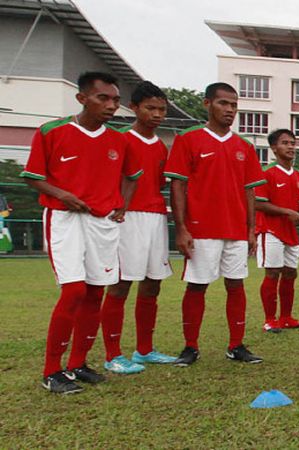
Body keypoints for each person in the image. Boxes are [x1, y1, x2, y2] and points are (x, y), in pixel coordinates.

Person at [22, 71, 141, 394]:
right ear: (82, 98)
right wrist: (62, 194)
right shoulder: (52, 131)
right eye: (103, 98)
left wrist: (123, 205)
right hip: (65, 219)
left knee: (95, 292)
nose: (111, 105)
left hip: (104, 222)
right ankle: (51, 370)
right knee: (73, 290)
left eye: (115, 99)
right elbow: (32, 176)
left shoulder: (119, 140)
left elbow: (133, 176)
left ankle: (78, 363)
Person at [163, 82, 267, 366]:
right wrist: (182, 228)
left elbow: (250, 191)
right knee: (197, 286)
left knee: (236, 284)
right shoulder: (188, 139)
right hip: (202, 228)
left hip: (235, 229)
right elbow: (178, 185)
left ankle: (236, 345)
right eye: (223, 103)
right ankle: (190, 347)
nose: (230, 110)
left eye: (234, 105)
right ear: (207, 104)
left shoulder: (244, 146)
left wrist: (250, 230)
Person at [98, 81, 177, 375]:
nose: (157, 114)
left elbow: (158, 184)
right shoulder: (118, 140)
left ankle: (144, 350)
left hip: (156, 217)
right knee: (120, 284)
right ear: (134, 108)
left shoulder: (160, 145)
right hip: (126, 219)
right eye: (150, 108)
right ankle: (112, 354)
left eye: (161, 109)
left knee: (153, 282)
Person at [254, 129, 299, 333]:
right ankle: (270, 320)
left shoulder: (297, 175)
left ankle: (286, 318)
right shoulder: (266, 173)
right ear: (273, 148)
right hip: (270, 230)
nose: (290, 147)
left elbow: (297, 203)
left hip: (290, 232)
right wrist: (287, 212)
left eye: (292, 143)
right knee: (272, 272)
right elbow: (258, 204)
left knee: (290, 273)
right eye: (285, 143)